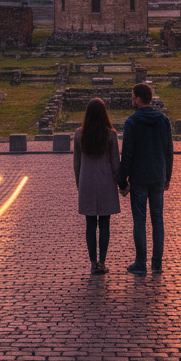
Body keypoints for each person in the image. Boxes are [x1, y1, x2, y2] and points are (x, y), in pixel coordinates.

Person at [118, 82, 173, 274]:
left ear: (138, 99)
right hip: (157, 176)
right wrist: (167, 176)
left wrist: (122, 181)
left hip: (139, 178)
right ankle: (157, 264)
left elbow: (127, 155)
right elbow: (168, 151)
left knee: (139, 221)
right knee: (157, 220)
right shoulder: (163, 120)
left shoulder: (132, 122)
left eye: (133, 97)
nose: (131, 100)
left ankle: (141, 263)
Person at [73, 97, 121, 275]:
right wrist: (122, 184)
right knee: (105, 224)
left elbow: (76, 163)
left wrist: (79, 184)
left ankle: (93, 262)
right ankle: (102, 261)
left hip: (87, 182)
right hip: (106, 182)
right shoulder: (111, 135)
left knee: (90, 225)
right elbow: (115, 163)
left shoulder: (79, 134)